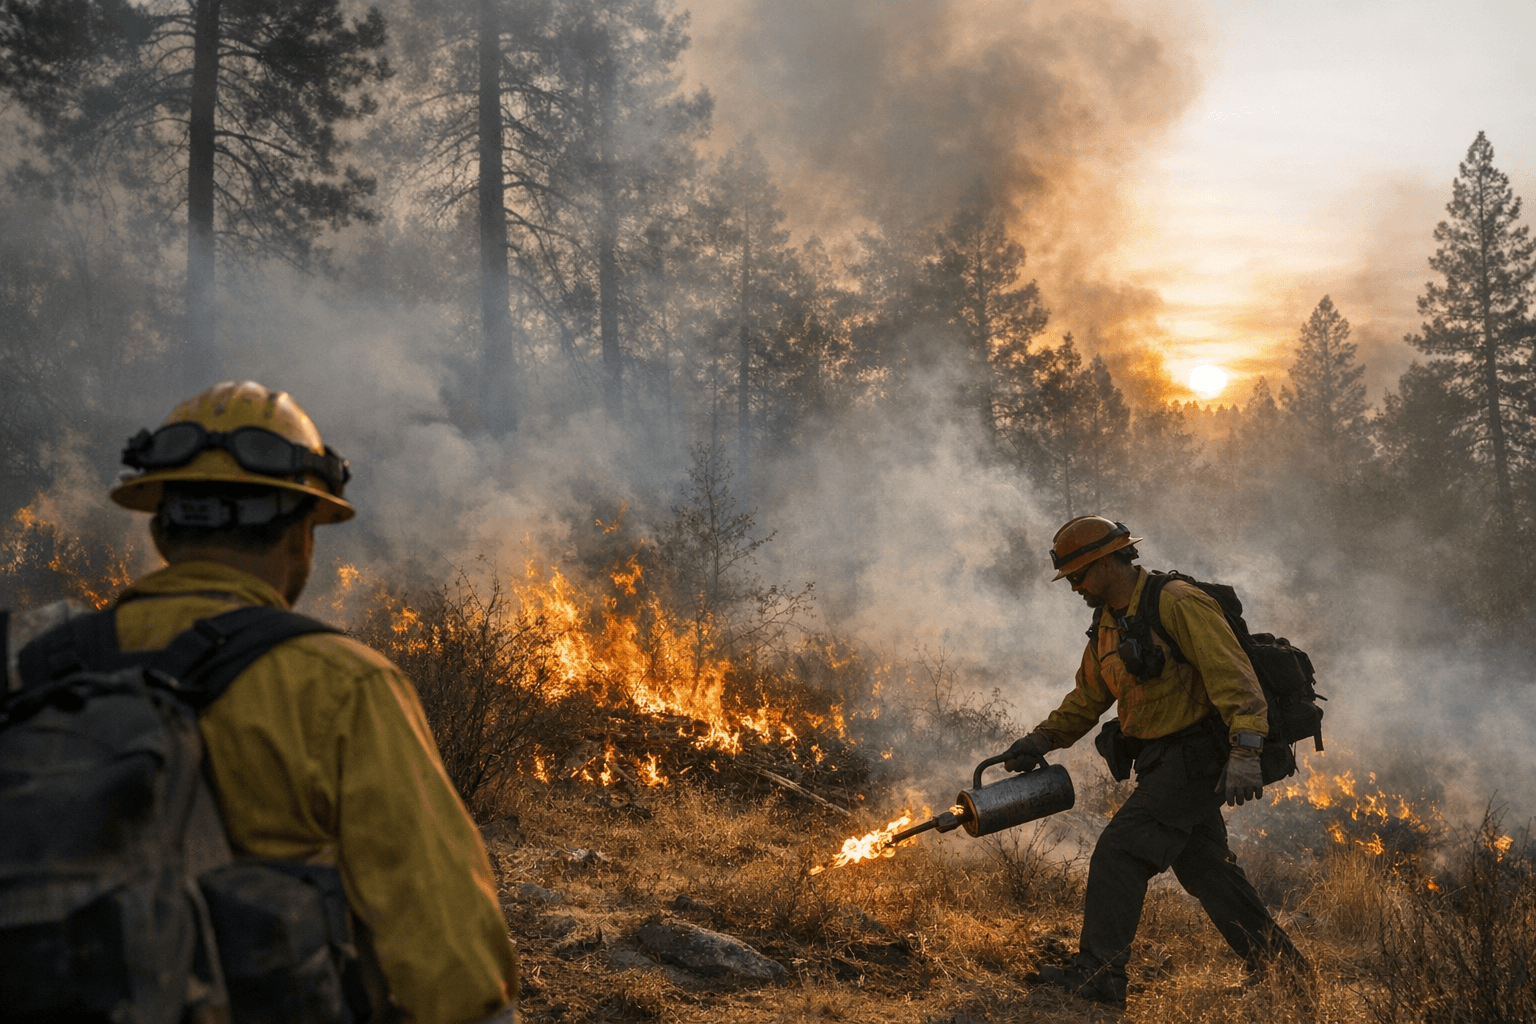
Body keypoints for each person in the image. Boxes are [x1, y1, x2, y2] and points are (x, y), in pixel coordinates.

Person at [102, 381, 517, 1023]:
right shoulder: (341, 686)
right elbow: (450, 962)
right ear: (301, 533)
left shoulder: (31, 665)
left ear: (160, 527)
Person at [1005, 515, 1306, 1007]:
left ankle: (1100, 976)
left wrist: (1247, 751)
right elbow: (1088, 697)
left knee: (1120, 853)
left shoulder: (1177, 602)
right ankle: (1285, 973)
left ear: (1107, 562)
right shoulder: (1106, 625)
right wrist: (1039, 741)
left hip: (1196, 757)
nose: (1074, 588)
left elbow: (1233, 676)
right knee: (1208, 869)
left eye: (1079, 576)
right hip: (1160, 760)